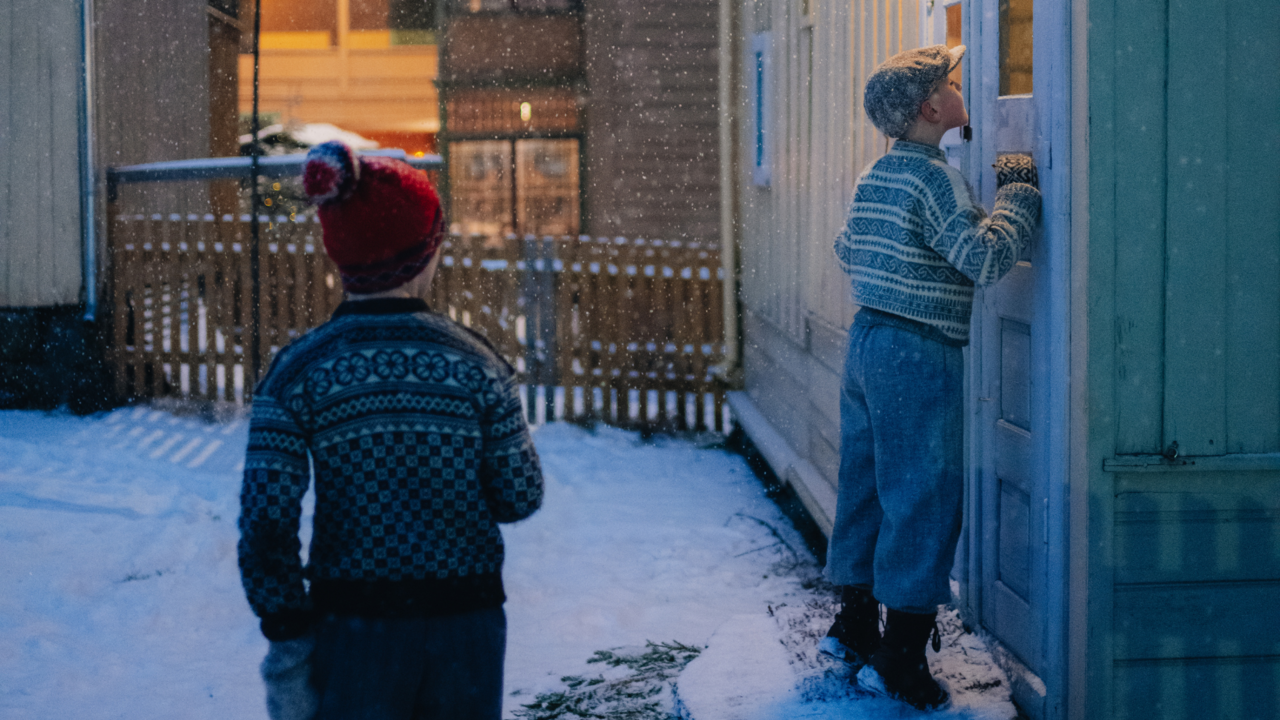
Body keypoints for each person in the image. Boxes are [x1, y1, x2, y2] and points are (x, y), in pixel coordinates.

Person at [237, 140, 544, 720]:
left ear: (339, 255)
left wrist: (287, 626)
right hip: (466, 627)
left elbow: (265, 520)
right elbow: (519, 496)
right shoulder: (476, 363)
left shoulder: (300, 372)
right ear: (426, 254)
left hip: (354, 629)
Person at [820, 45, 1041, 711]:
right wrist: (1019, 198)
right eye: (948, 81)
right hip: (917, 351)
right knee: (923, 495)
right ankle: (902, 654)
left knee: (865, 484)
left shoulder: (874, 176)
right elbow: (983, 256)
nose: (957, 86)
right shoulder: (934, 180)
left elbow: (847, 246)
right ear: (930, 108)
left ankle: (854, 622)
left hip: (867, 340)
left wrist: (891, 272)